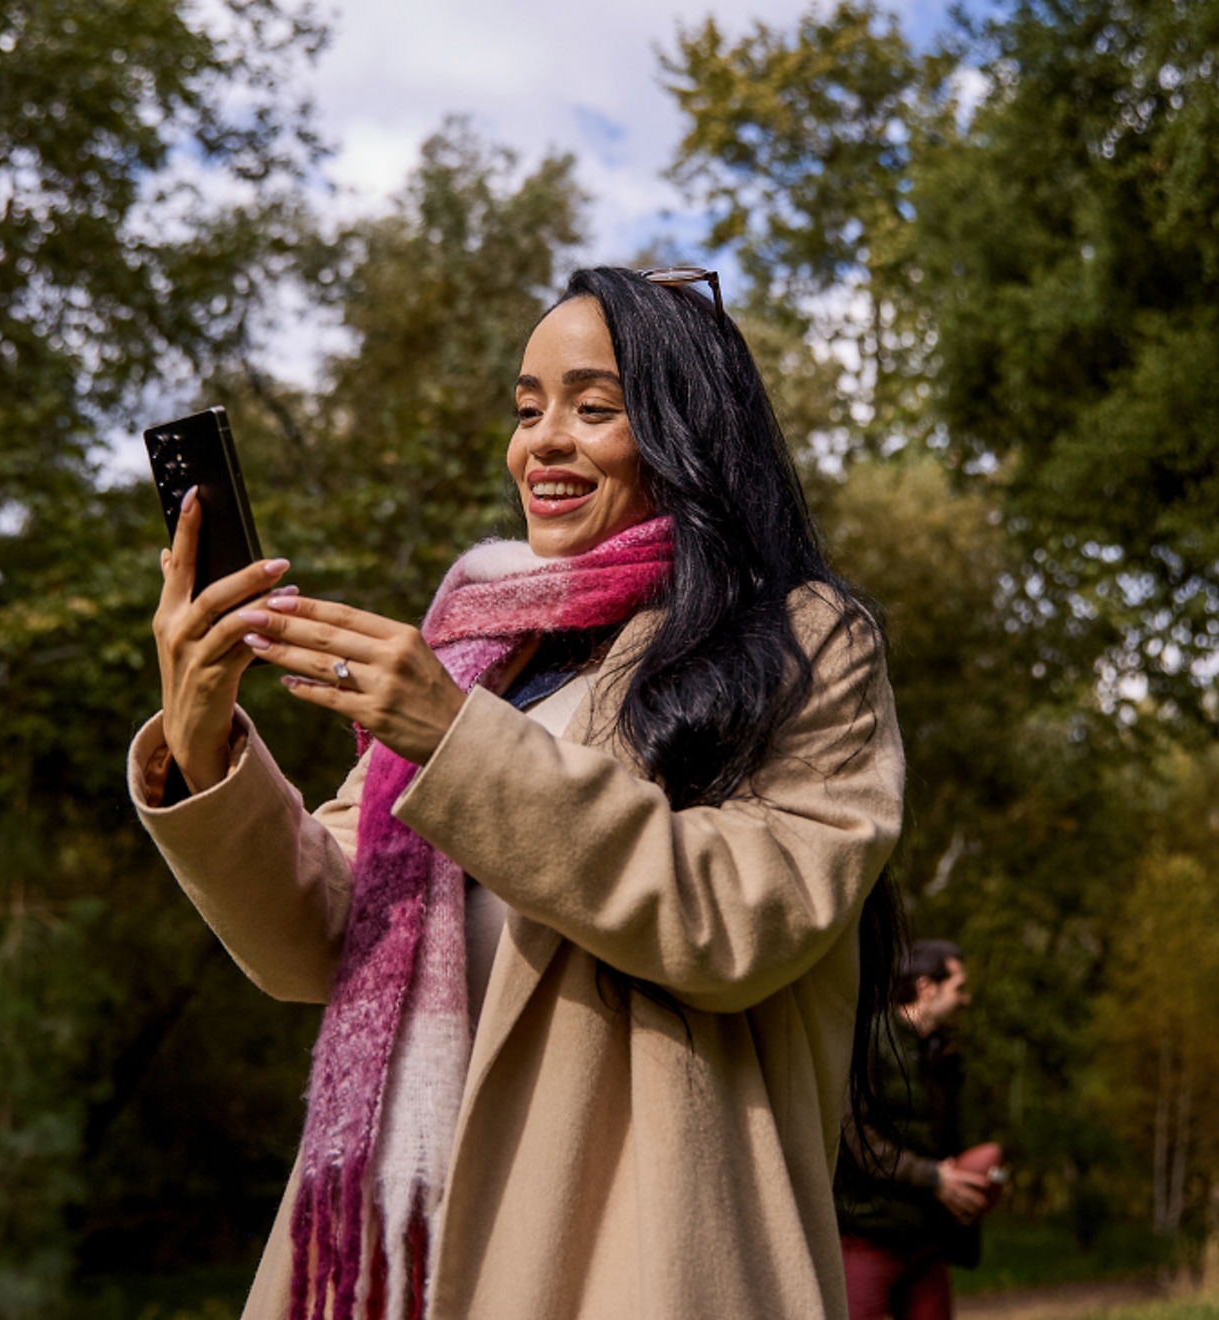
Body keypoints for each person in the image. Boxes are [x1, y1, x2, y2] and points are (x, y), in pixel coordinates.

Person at [128, 266, 906, 1320]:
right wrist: (203, 740)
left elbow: (742, 920)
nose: (541, 441)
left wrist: (457, 742)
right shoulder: (470, 657)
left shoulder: (802, 636)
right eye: (526, 409)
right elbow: (312, 940)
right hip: (405, 1254)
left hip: (635, 1252)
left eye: (594, 408)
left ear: (688, 431)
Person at [836, 939, 992, 1320]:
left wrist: (975, 1183)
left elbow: (948, 1144)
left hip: (926, 1240)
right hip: (867, 1237)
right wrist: (934, 1178)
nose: (966, 999)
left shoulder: (944, 1055)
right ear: (926, 987)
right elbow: (860, 1138)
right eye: (959, 987)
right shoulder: (867, 1041)